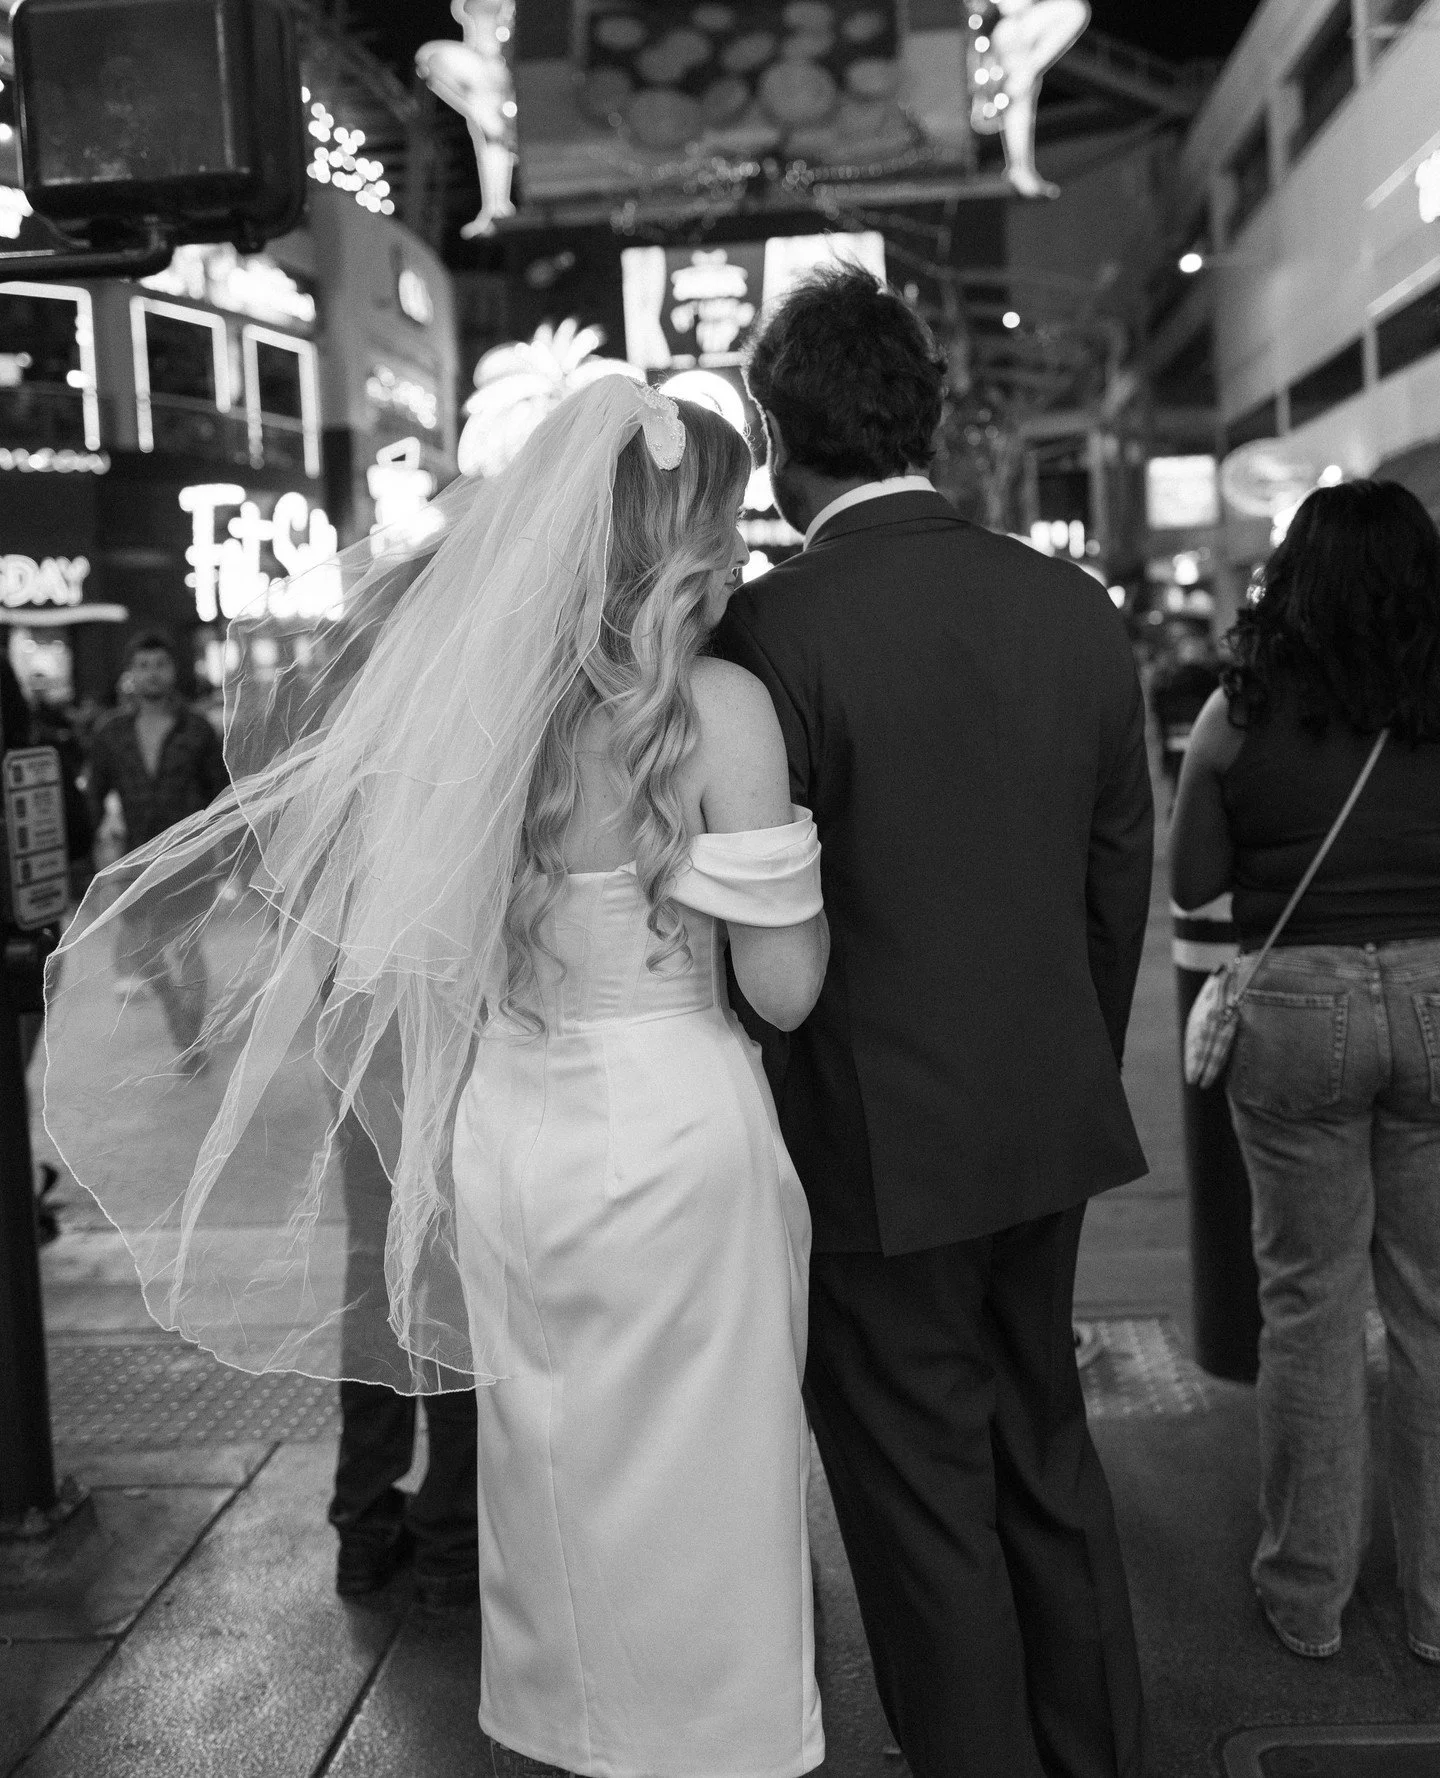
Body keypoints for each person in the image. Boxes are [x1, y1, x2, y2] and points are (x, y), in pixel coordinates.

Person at [45, 377, 830, 1778]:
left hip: (513, 1131)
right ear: (689, 539)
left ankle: (579, 1726)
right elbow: (786, 987)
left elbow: (419, 944)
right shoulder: (719, 707)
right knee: (703, 1477)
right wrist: (794, 869)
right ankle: (712, 1737)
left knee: (554, 1465)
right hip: (670, 1132)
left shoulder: (482, 712)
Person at [714, 266, 1151, 1778]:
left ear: (778, 441)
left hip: (869, 1138)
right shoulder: (1072, 607)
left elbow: (762, 922)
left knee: (919, 1495)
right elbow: (1115, 880)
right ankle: (1097, 1751)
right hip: (1046, 1108)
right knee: (1046, 1444)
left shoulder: (768, 630)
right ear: (931, 418)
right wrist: (1070, 1052)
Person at [1169, 479, 1440, 1666]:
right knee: (1433, 1307)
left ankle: (1307, 1593)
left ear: (1292, 581)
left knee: (1310, 1305)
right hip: (1438, 994)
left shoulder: (1239, 709)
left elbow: (1193, 882)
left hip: (1295, 1008)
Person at [329, 1111, 480, 1612]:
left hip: (366, 1070)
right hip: (465, 1074)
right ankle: (452, 1541)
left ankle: (363, 1530)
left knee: (378, 1256)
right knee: (452, 1263)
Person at [85, 628, 228, 1060]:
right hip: (137, 859)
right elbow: (94, 797)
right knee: (144, 948)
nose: (152, 673)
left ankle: (191, 1035)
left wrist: (226, 849)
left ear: (173, 669)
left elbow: (220, 794)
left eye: (160, 664)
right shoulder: (112, 733)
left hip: (191, 857)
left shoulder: (197, 729)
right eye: (143, 665)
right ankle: (174, 1009)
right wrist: (94, 854)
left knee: (187, 943)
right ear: (131, 672)